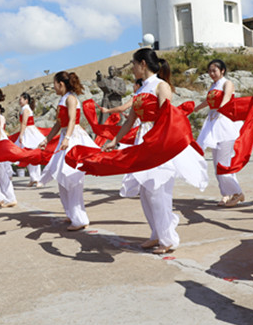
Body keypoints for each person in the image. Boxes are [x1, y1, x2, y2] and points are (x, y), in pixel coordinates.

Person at [102, 49, 208, 254]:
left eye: (133, 64)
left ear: (143, 64)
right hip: (142, 139)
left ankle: (168, 239)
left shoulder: (161, 86)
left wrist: (156, 141)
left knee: (158, 190)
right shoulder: (140, 89)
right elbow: (131, 121)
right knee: (145, 191)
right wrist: (114, 140)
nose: (132, 68)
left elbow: (166, 118)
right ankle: (156, 233)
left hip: (157, 140)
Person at [192, 59, 253, 207]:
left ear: (222, 71)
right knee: (218, 164)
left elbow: (226, 98)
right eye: (209, 71)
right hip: (213, 124)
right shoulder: (213, 85)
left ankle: (237, 193)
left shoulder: (227, 83)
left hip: (225, 124)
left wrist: (221, 109)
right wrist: (196, 108)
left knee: (223, 164)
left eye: (214, 70)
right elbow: (209, 101)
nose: (211, 73)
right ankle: (226, 194)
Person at [39, 71, 99, 230]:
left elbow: (72, 120)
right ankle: (71, 214)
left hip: (73, 138)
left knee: (72, 178)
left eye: (54, 84)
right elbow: (59, 124)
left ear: (61, 84)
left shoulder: (71, 98)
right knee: (62, 177)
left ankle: (80, 219)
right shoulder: (62, 99)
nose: (53, 87)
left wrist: (67, 138)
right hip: (65, 137)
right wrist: (47, 139)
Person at [16, 93, 45, 188]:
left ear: (26, 100)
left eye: (21, 99)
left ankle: (38, 179)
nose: (20, 101)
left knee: (33, 155)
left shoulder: (26, 109)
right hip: (28, 131)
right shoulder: (24, 109)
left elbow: (24, 124)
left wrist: (21, 135)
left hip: (29, 132)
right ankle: (33, 178)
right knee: (29, 155)